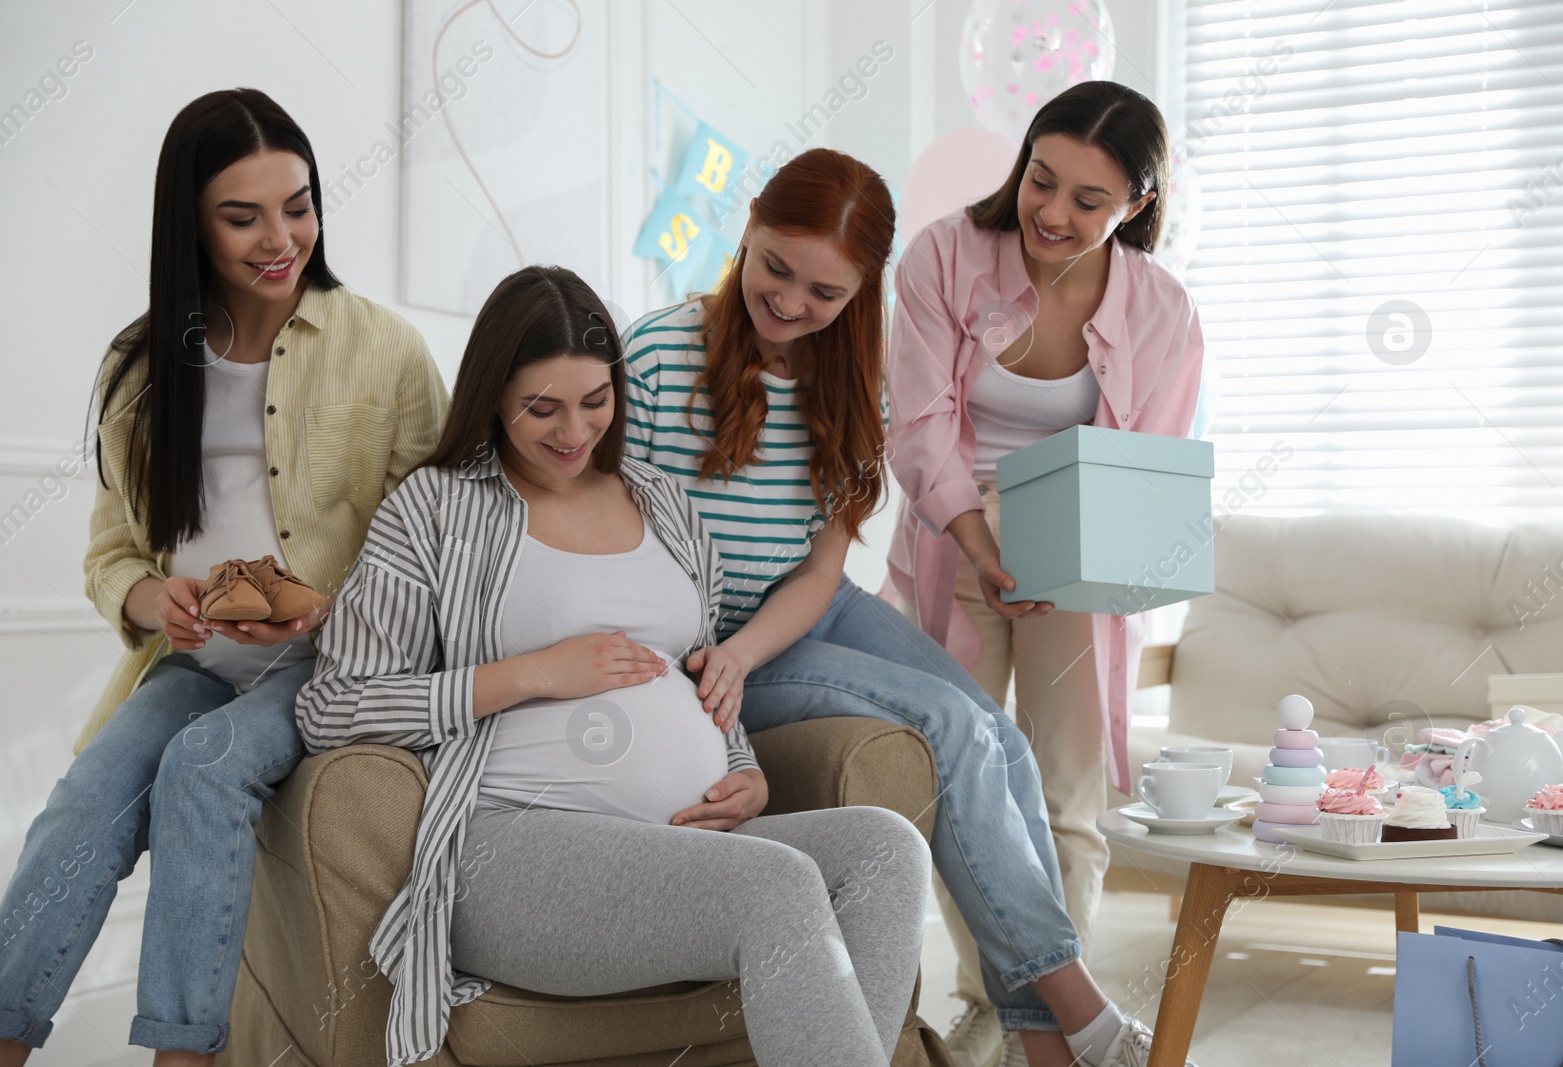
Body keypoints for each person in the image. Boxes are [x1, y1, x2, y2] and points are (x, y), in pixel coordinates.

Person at [623, 146, 1191, 1067]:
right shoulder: (655, 355)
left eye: (825, 292)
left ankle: (1044, 1040)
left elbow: (820, 570)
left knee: (999, 737)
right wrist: (728, 659)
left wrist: (761, 640)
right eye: (775, 268)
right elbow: (623, 559)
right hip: (704, 635)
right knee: (949, 723)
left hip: (803, 608)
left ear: (860, 291)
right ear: (751, 223)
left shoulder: (855, 381)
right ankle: (1081, 1023)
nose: (791, 305)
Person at [295, 265, 932, 1067]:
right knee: (774, 885)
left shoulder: (663, 502)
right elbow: (332, 707)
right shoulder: (434, 508)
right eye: (543, 407)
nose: (573, 430)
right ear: (492, 394)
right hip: (515, 851)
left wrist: (745, 770)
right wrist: (530, 673)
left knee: (886, 848)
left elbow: (697, 673)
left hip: (685, 844)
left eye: (596, 402)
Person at [0, 89, 448, 1067]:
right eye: (241, 216)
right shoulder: (141, 362)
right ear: (189, 224)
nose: (280, 237)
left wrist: (322, 606)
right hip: (191, 657)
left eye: (297, 204)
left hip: (326, 662)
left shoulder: (388, 350)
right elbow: (111, 547)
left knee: (205, 769)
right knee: (82, 804)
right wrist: (144, 596)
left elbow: (438, 545)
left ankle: (182, 1057)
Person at [885, 80, 1205, 1063]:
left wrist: (1074, 559)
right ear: (1021, 163)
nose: (1053, 215)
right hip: (954, 543)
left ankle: (1052, 1012)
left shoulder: (1160, 312)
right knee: (951, 779)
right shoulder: (942, 255)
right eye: (1042, 181)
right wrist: (980, 538)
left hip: (1075, 556)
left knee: (1067, 795)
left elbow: (1148, 470)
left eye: (1088, 201)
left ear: (1136, 207)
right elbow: (920, 422)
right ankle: (993, 996)